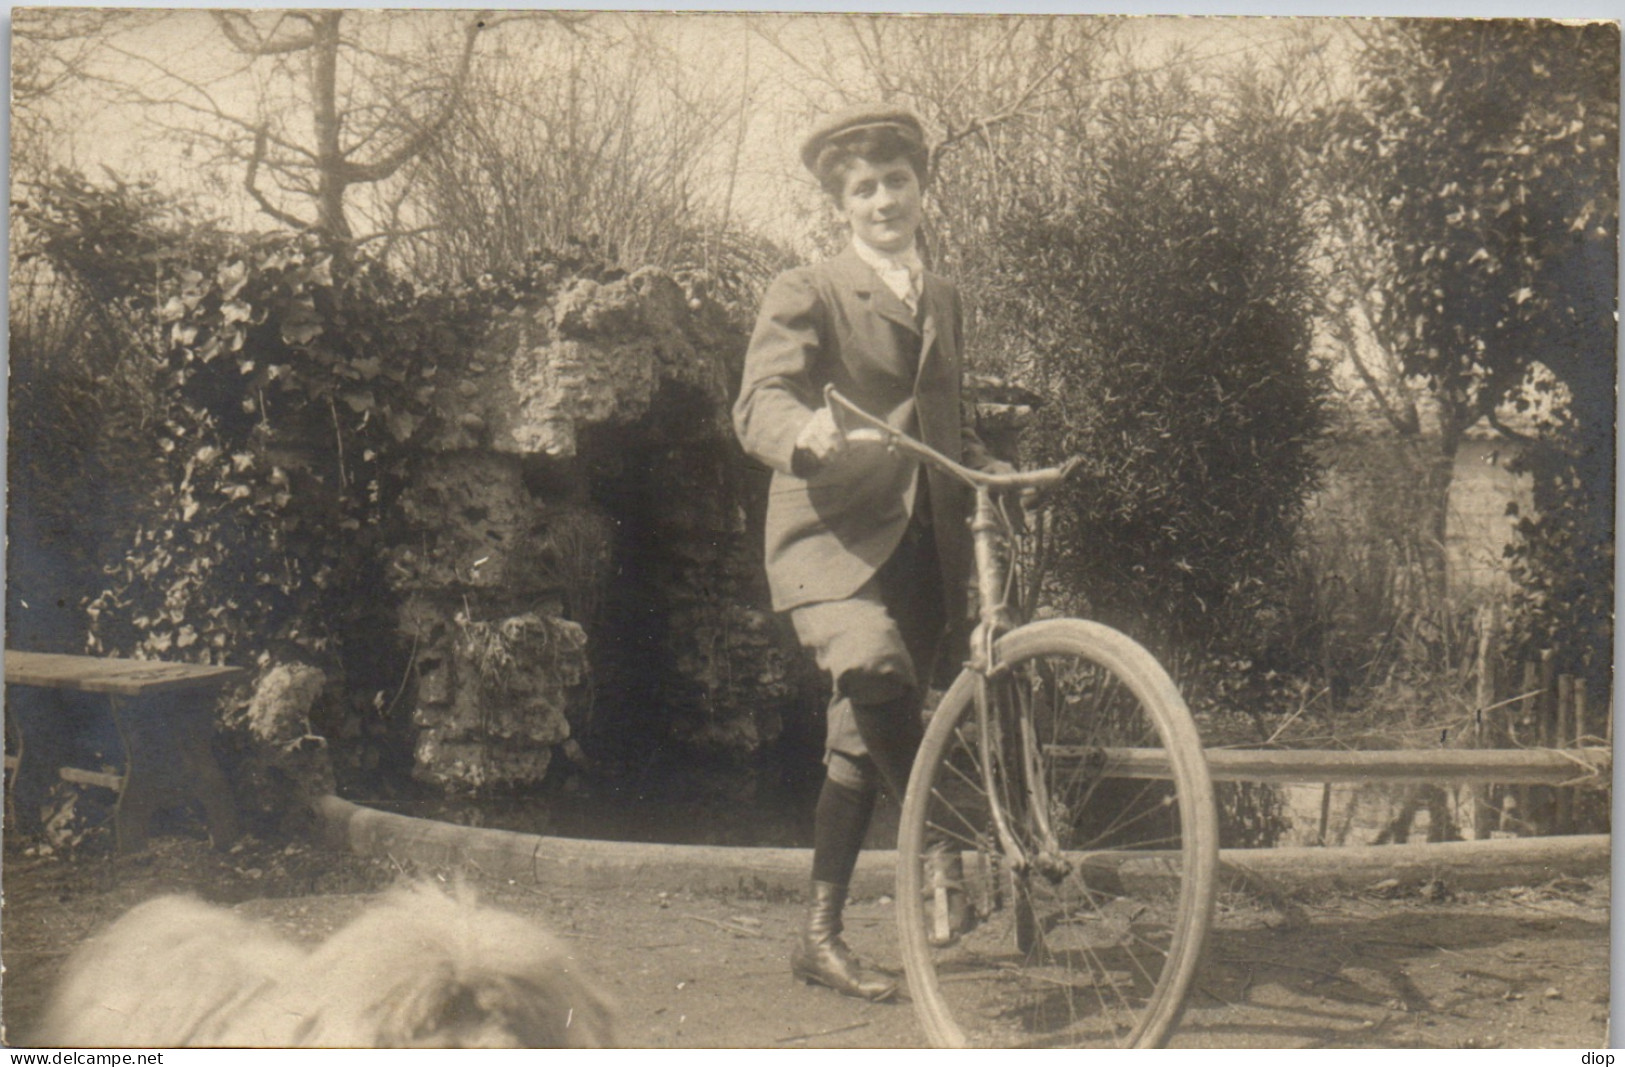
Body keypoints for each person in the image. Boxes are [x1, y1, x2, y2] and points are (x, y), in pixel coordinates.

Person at [733, 104, 1009, 1001]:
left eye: (897, 181)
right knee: (874, 666)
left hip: (922, 546)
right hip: (828, 538)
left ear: (922, 190)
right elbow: (760, 399)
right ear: (839, 205)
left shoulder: (945, 295)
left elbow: (939, 414)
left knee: (857, 742)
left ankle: (818, 936)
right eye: (864, 188)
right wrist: (801, 434)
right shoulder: (807, 287)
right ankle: (951, 834)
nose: (883, 199)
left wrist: (984, 454)